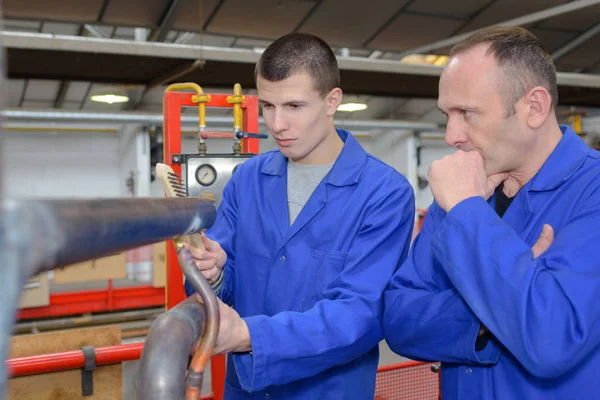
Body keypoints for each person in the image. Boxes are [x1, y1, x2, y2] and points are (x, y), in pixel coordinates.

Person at [184, 32, 415, 399]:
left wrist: (248, 335)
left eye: (294, 106)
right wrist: (211, 274)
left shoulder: (384, 193)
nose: (276, 125)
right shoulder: (248, 181)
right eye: (268, 107)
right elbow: (223, 279)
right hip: (247, 389)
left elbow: (359, 314)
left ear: (331, 101)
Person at [382, 25, 600, 399]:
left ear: (534, 108)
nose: (451, 136)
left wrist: (468, 213)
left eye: (467, 112)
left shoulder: (590, 192)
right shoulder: (459, 192)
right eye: (447, 114)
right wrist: (507, 295)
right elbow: (399, 320)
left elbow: (550, 338)